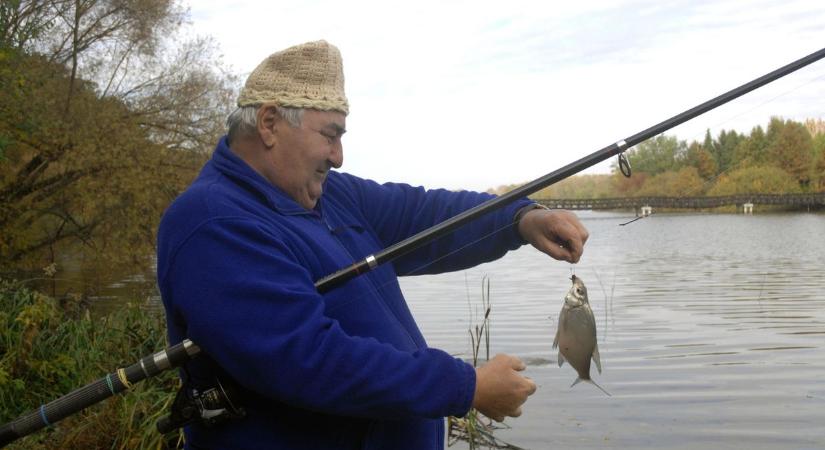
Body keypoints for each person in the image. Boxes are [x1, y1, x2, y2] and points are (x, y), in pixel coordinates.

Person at [157, 40, 589, 450]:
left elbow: (425, 213)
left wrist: (520, 219)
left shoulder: (332, 196)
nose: (339, 155)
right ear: (269, 123)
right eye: (330, 134)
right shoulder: (213, 223)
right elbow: (311, 359)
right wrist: (465, 387)